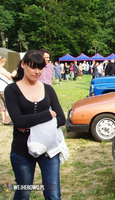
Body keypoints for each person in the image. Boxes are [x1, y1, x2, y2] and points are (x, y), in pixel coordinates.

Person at [4, 50, 66, 199]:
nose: (37, 71)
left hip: (48, 148)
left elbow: (61, 119)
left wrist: (30, 123)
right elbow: (18, 120)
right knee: (23, 192)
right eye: (33, 67)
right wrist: (47, 115)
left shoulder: (48, 89)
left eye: (40, 68)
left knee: (53, 193)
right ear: (23, 64)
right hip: (22, 150)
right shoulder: (12, 90)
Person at [0, 55, 13, 125]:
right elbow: (9, 77)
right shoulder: (1, 69)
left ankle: (3, 119)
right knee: (7, 104)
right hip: (4, 88)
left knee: (2, 105)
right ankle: (7, 120)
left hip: (0, 89)